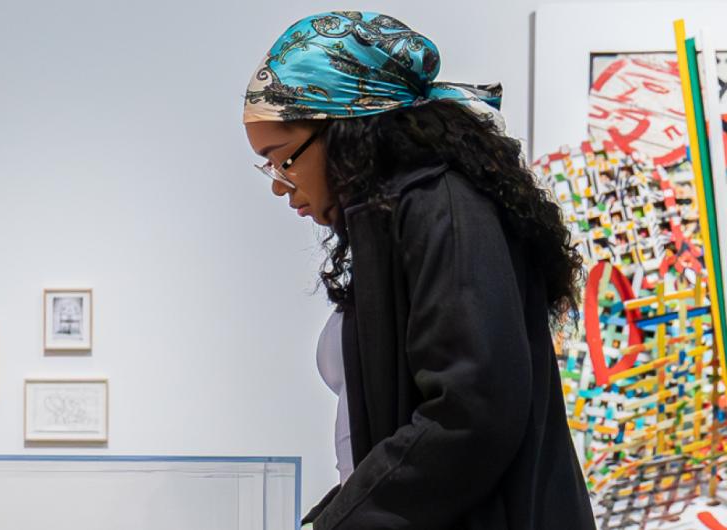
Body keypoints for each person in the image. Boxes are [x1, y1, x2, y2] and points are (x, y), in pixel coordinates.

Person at [240, 12, 596, 529]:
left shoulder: (442, 210)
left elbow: (470, 414)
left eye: (282, 159)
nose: (278, 183)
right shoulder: (401, 216)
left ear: (341, 129)